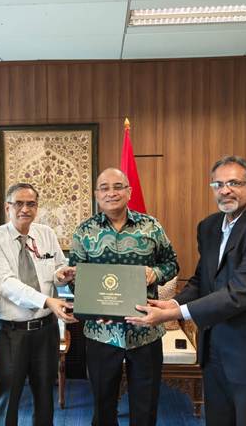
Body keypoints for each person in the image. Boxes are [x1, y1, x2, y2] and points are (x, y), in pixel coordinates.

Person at [127, 156, 246, 426]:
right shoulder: (209, 227)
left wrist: (177, 313)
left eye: (234, 183)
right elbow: (202, 281)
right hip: (213, 347)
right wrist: (173, 304)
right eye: (218, 184)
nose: (225, 190)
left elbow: (239, 293)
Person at [61, 168, 179, 426]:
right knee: (103, 408)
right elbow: (76, 279)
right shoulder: (84, 231)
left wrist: (156, 273)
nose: (111, 193)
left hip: (145, 331)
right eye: (104, 188)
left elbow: (172, 263)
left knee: (145, 407)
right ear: (96, 194)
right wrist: (89, 302)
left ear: (129, 191)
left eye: (118, 187)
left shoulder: (151, 226)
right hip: (101, 333)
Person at [0, 183, 77, 426]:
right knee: (6, 398)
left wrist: (61, 274)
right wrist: (46, 300)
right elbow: (5, 283)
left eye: (31, 204)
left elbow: (58, 266)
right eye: (19, 203)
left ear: (37, 207)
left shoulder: (46, 233)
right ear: (8, 207)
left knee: (45, 395)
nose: (25, 209)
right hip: (9, 333)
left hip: (45, 330)